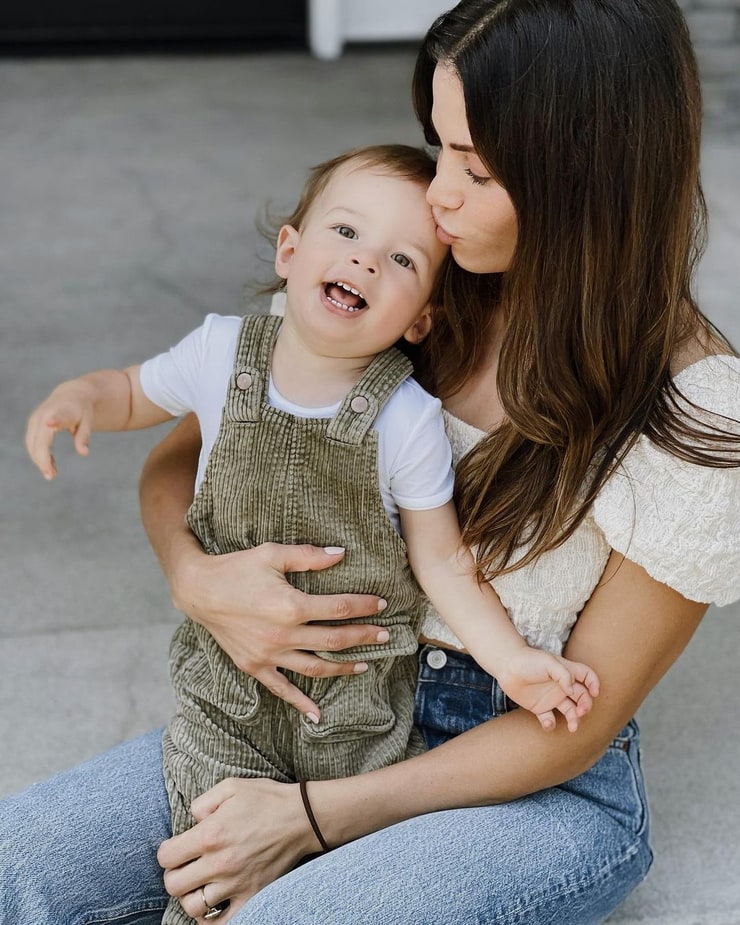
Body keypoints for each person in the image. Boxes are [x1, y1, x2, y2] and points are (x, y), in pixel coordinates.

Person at [3, 1, 740, 923]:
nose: (438, 195)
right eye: (439, 148)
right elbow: (178, 455)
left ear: (585, 177)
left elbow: (571, 730)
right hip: (318, 714)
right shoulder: (403, 270)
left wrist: (310, 821)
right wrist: (199, 582)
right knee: (16, 864)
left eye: (476, 168)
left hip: (522, 783)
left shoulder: (698, 407)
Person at [23, 144, 598, 925]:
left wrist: (517, 663)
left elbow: (444, 563)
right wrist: (79, 397)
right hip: (227, 700)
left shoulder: (405, 418)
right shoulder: (221, 352)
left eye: (400, 258)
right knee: (207, 881)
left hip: (361, 718)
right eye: (346, 233)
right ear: (291, 252)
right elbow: (132, 390)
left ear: (422, 314)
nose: (363, 262)